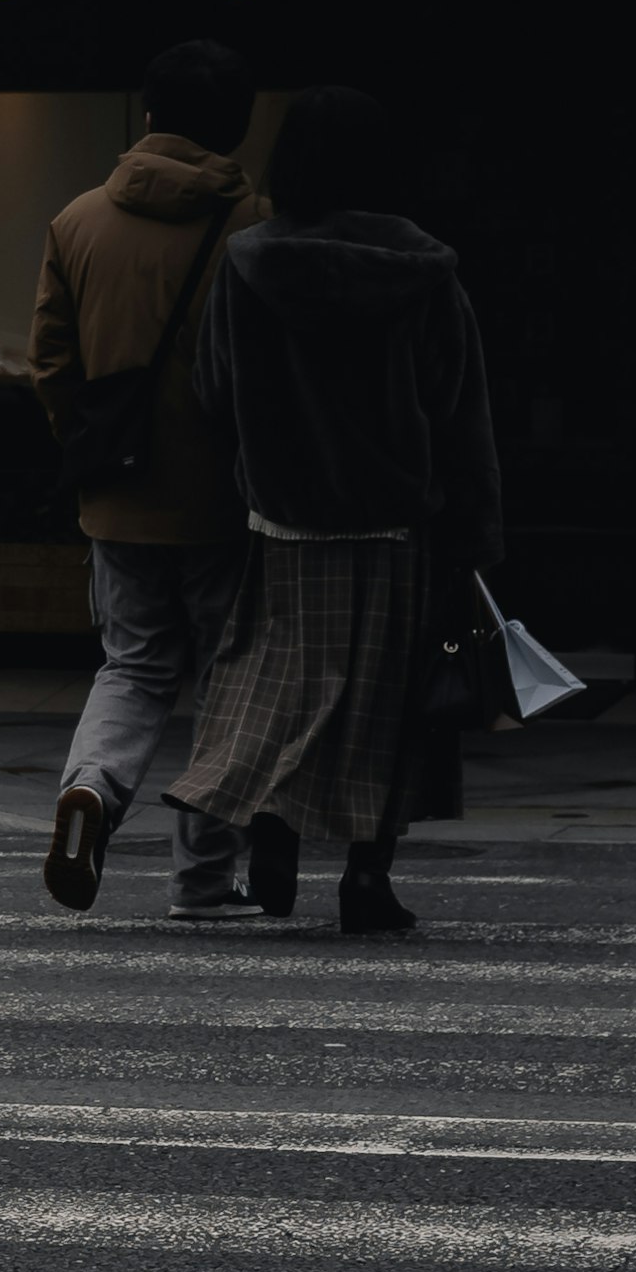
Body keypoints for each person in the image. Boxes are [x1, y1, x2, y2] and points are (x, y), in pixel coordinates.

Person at [172, 84, 502, 939]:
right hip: (396, 524)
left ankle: (273, 830)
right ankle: (366, 878)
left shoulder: (247, 264)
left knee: (278, 685)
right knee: (386, 705)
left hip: (284, 522)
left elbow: (211, 390)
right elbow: (458, 410)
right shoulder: (426, 271)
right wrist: (477, 529)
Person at [30, 40, 259, 917]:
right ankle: (204, 878)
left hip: (118, 496)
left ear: (149, 114)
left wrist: (93, 452)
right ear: (237, 125)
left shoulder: (78, 220)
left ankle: (91, 787)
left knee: (132, 666)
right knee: (229, 683)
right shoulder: (256, 226)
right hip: (227, 501)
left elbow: (50, 363)